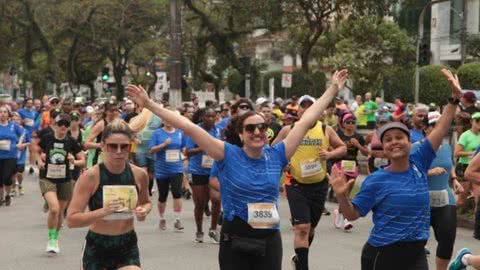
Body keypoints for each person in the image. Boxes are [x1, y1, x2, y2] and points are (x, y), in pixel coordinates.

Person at [127, 69, 349, 270]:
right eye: (250, 128)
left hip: (269, 239)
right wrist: (150, 105)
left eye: (261, 127)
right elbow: (188, 126)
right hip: (236, 238)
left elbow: (307, 119)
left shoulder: (278, 154)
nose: (257, 132)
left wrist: (333, 89)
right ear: (241, 134)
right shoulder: (228, 154)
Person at [329, 68, 462, 270]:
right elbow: (352, 214)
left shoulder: (419, 160)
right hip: (382, 256)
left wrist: (454, 99)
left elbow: (442, 128)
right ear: (383, 148)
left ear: (410, 143)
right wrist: (341, 196)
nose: (394, 143)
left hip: (416, 255)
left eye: (399, 138)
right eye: (388, 140)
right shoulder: (376, 180)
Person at [272, 94, 347, 270]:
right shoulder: (288, 130)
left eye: (310, 106)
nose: (306, 110)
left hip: (319, 184)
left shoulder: (325, 129)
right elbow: (272, 151)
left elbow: (342, 147)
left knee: (310, 229)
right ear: (297, 111)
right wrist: (284, 163)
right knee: (302, 227)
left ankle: (299, 258)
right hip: (295, 183)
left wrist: (330, 155)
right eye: (302, 106)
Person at [67, 119, 151, 269]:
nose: (119, 151)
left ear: (130, 147)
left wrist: (143, 210)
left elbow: (146, 202)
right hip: (97, 246)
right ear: (103, 146)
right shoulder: (90, 177)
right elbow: (72, 220)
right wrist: (103, 211)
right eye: (113, 146)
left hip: (127, 243)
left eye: (124, 146)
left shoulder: (139, 174)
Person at [414, 111, 461, 270]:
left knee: (448, 238)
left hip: (445, 198)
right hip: (421, 201)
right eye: (434, 125)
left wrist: (454, 179)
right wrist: (428, 172)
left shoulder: (447, 147)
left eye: (441, 125)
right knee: (416, 242)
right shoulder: (416, 148)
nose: (439, 128)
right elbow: (407, 173)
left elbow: (449, 165)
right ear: (426, 129)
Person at [37, 113, 85, 254]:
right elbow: (35, 150)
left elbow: (82, 160)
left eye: (66, 124)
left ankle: (55, 239)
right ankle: (51, 240)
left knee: (60, 214)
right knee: (54, 209)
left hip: (65, 179)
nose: (63, 127)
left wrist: (73, 161)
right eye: (60, 124)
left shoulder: (71, 142)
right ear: (55, 125)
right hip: (47, 177)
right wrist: (39, 161)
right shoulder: (47, 139)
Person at [184, 107, 222, 243]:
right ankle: (199, 230)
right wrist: (204, 147)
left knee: (217, 200)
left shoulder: (217, 131)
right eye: (208, 116)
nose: (211, 119)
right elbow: (187, 152)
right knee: (200, 203)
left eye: (213, 117)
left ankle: (213, 229)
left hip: (214, 171)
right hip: (197, 171)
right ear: (202, 117)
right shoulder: (194, 131)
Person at [149, 112, 185, 231]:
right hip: (162, 170)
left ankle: (177, 219)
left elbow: (184, 148)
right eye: (166, 119)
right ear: (163, 121)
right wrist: (164, 145)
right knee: (162, 196)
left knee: (177, 193)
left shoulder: (180, 133)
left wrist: (186, 152)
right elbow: (151, 150)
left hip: (177, 168)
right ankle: (162, 218)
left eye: (171, 119)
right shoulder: (157, 133)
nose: (168, 121)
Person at [332, 113, 369, 231]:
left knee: (347, 193)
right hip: (340, 165)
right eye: (348, 122)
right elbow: (332, 148)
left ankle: (339, 212)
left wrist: (358, 145)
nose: (351, 124)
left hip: (353, 165)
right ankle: (346, 219)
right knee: (344, 190)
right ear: (343, 123)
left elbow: (366, 153)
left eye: (353, 122)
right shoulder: (338, 135)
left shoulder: (358, 137)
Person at [455, 112, 480, 215]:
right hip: (464, 167)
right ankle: (449, 214)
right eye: (477, 121)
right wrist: (472, 153)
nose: (479, 123)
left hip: (477, 169)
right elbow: (456, 153)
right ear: (471, 122)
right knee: (461, 200)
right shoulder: (465, 135)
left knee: (477, 198)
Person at [0, 106, 24, 206]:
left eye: (5, 112)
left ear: (8, 114)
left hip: (11, 155)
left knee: (7, 178)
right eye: (0, 112)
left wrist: (19, 143)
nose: (2, 114)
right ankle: (1, 198)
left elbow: (22, 132)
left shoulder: (13, 125)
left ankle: (8, 194)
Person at [11, 112, 31, 196]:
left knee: (19, 173)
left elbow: (29, 142)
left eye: (17, 120)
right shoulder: (10, 130)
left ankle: (20, 184)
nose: (15, 121)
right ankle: (13, 188)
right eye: (13, 120)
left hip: (21, 156)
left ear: (20, 121)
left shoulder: (24, 131)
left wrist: (23, 145)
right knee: (12, 173)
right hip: (11, 155)